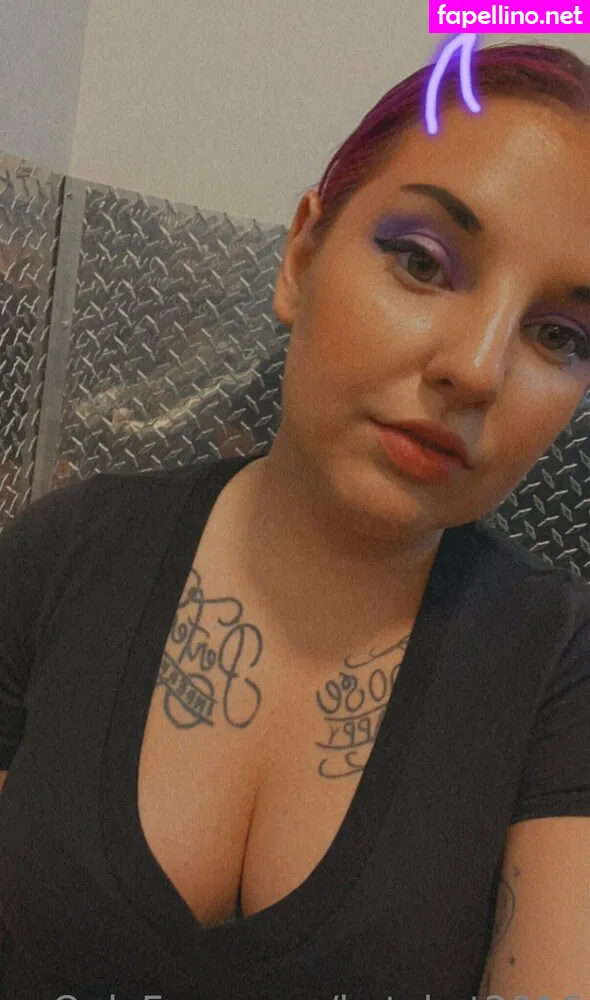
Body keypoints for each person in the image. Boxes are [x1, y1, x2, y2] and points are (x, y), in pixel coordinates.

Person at [0, 40, 589, 1000]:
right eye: (422, 262)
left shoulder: (559, 666)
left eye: (559, 335)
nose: (477, 369)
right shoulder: (61, 555)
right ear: (302, 256)